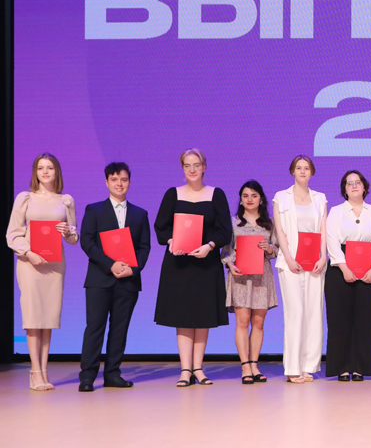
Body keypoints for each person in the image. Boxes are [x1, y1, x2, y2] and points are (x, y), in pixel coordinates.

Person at [153, 148, 232, 386]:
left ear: (204, 167)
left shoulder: (215, 194)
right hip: (179, 263)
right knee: (183, 315)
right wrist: (172, 242)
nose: (192, 170)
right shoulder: (173, 194)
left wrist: (210, 246)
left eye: (196, 165)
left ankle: (198, 368)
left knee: (202, 315)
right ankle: (185, 370)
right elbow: (161, 227)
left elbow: (225, 230)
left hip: (206, 262)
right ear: (182, 168)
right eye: (187, 165)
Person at [6, 153, 78, 391]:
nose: (45, 172)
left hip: (54, 264)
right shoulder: (25, 198)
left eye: (49, 168)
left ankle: (44, 371)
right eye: (40, 168)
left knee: (48, 317)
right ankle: (34, 371)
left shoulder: (65, 200)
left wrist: (67, 231)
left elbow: (73, 237)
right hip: (30, 264)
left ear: (57, 172)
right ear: (35, 172)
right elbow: (13, 234)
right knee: (33, 316)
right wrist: (28, 253)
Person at [78, 162, 151, 391]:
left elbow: (145, 247)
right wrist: (110, 265)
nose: (119, 184)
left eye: (124, 180)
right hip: (99, 279)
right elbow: (87, 241)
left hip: (128, 280)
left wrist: (134, 269)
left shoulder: (140, 214)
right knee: (95, 327)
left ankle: (112, 374)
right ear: (107, 182)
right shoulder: (94, 210)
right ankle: (87, 377)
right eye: (114, 179)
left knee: (120, 329)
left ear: (129, 182)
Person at [272, 155, 328, 383]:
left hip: (315, 263)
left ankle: (308, 366)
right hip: (290, 263)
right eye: (298, 168)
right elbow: (280, 231)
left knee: (314, 313)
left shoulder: (320, 198)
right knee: (295, 313)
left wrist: (323, 257)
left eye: (306, 168)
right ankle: (292, 368)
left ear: (312, 172)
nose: (302, 171)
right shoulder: (281, 197)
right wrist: (288, 257)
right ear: (292, 171)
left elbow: (323, 231)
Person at [326, 170, 371, 381]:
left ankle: (361, 367)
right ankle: (342, 367)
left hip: (368, 270)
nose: (354, 185)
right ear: (344, 189)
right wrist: (344, 268)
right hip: (339, 270)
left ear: (364, 187)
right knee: (339, 319)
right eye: (349, 183)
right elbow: (331, 240)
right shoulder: (336, 211)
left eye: (357, 182)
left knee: (365, 320)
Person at [221, 180, 278, 384]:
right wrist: (230, 264)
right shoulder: (233, 222)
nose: (249, 199)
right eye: (245, 196)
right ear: (240, 199)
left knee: (259, 323)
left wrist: (269, 248)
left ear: (261, 198)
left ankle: (254, 364)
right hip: (240, 276)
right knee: (243, 321)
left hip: (262, 276)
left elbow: (277, 249)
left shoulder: (270, 223)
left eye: (254, 195)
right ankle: (245, 366)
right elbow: (225, 250)